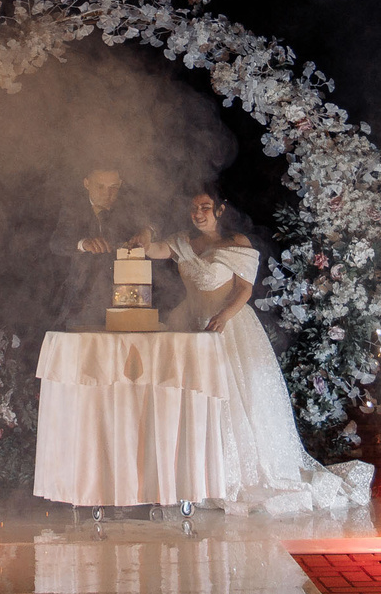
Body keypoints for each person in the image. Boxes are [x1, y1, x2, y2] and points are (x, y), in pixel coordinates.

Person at [143, 190, 367, 514]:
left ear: (220, 210)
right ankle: (195, 473)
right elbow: (151, 249)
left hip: (228, 325)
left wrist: (222, 316)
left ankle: (236, 473)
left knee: (233, 397)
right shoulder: (182, 243)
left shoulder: (236, 243)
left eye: (205, 207)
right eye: (193, 208)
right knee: (193, 398)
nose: (199, 213)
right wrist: (145, 231)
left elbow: (244, 288)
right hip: (189, 325)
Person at [45, 164, 154, 330]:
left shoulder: (129, 207)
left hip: (125, 305)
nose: (107, 194)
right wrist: (83, 243)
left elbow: (158, 221)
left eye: (114, 188)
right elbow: (57, 242)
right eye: (100, 187)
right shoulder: (72, 209)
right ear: (86, 183)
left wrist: (148, 232)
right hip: (81, 304)